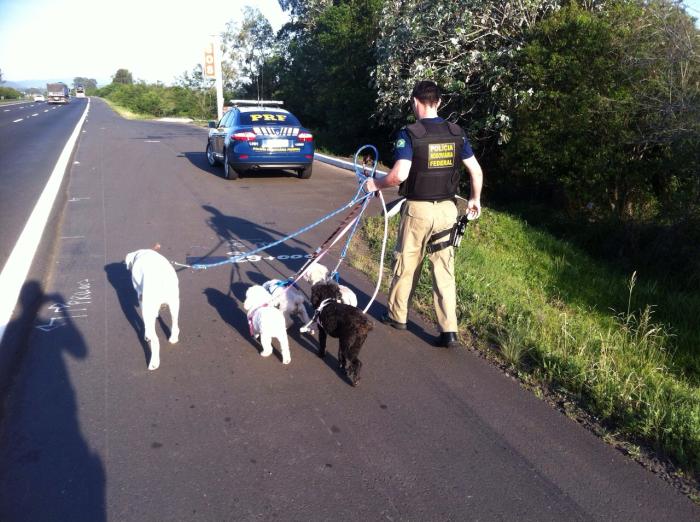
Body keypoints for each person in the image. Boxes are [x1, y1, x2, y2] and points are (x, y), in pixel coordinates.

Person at [364, 80, 483, 348]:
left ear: (414, 101)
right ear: (438, 102)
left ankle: (397, 316)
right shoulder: (456, 132)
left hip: (418, 210)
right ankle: (448, 330)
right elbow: (475, 171)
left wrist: (376, 184)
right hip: (448, 212)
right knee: (444, 269)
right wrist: (474, 200)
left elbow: (399, 175)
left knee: (406, 262)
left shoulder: (409, 133)